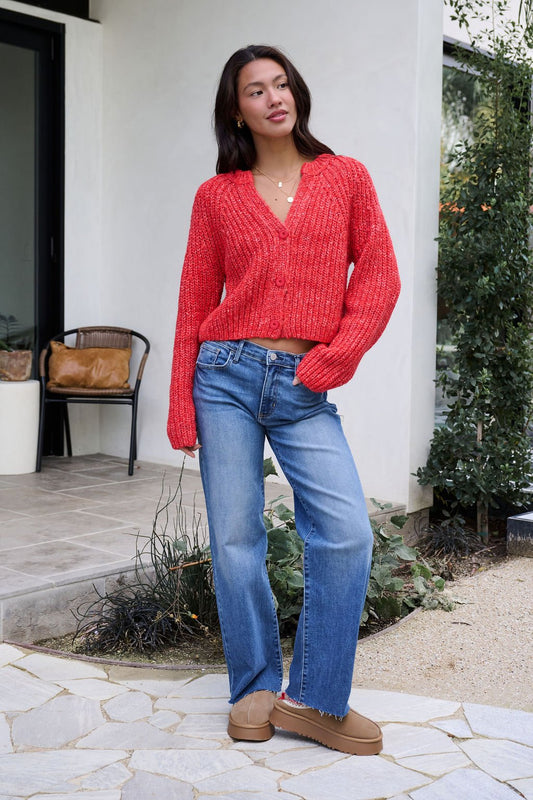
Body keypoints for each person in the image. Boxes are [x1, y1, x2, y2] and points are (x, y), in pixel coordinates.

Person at [168, 44, 400, 756]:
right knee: (236, 539)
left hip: (304, 383)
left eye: (281, 84)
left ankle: (315, 700)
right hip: (225, 375)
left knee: (346, 533)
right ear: (236, 110)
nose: (273, 97)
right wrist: (180, 402)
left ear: (296, 93)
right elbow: (194, 300)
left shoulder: (343, 177)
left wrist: (339, 353)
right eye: (255, 90)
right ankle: (255, 688)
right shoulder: (217, 196)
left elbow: (380, 276)